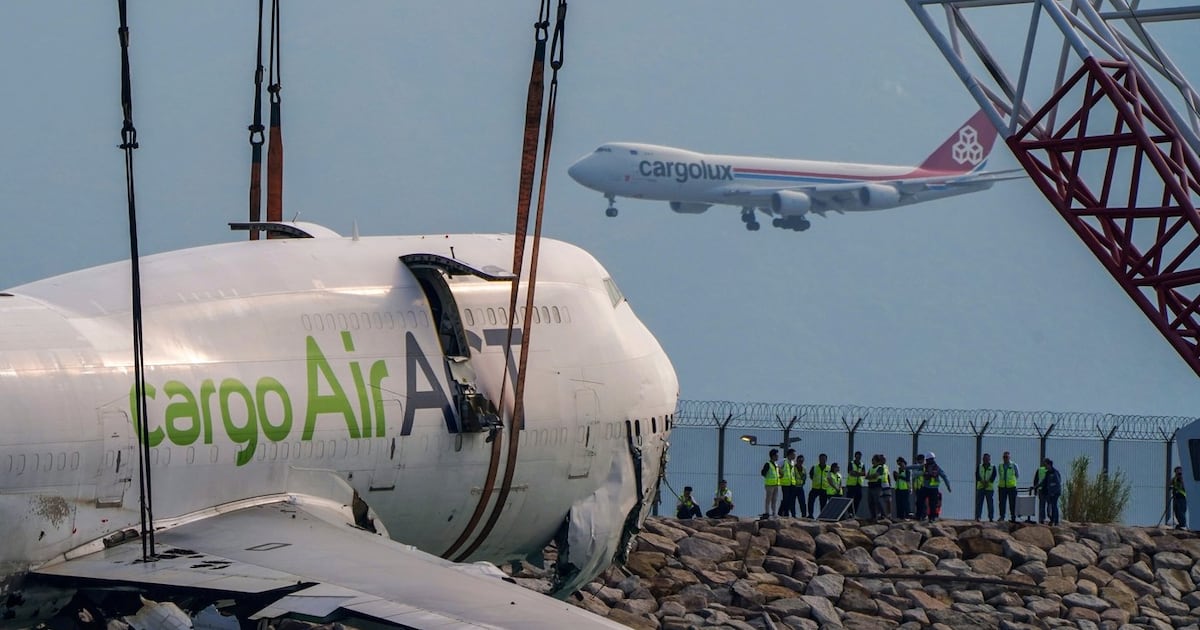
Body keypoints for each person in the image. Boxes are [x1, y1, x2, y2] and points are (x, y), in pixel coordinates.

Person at [919, 452, 952, 521]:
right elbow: (944, 477)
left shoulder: (936, 468)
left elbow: (944, 476)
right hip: (927, 488)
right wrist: (906, 468)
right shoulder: (926, 467)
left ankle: (931, 518)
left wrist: (948, 487)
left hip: (932, 489)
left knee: (932, 504)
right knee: (922, 502)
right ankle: (922, 516)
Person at [997, 451, 1020, 523]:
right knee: (1002, 503)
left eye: (1006, 457)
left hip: (1011, 487)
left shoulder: (1014, 465)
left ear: (1009, 457)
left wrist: (1011, 481)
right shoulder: (1000, 465)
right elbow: (1000, 474)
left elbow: (1017, 475)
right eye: (1004, 457)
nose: (1005, 458)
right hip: (1002, 487)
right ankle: (1002, 516)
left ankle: (1013, 517)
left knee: (1012, 503)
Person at [1038, 458, 1062, 525]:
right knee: (1051, 506)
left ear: (1049, 464)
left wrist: (1054, 492)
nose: (1045, 466)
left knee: (1054, 506)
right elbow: (1043, 482)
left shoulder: (1055, 472)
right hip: (1050, 492)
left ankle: (1055, 521)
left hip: (1055, 493)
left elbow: (1058, 483)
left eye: (1045, 465)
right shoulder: (1048, 473)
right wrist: (1036, 487)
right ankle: (1052, 520)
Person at [975, 453, 997, 521]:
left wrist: (988, 482)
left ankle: (991, 517)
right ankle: (978, 517)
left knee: (990, 503)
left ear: (989, 459)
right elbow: (977, 475)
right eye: (984, 459)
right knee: (979, 503)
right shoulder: (979, 466)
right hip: (981, 487)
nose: (986, 460)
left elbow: (994, 475)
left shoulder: (993, 467)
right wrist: (982, 481)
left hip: (989, 488)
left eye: (987, 459)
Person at [807, 453, 830, 517]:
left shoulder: (829, 468)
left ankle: (822, 516)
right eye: (821, 458)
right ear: (819, 459)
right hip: (815, 488)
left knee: (823, 503)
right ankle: (810, 515)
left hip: (824, 488)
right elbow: (811, 476)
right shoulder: (814, 467)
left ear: (826, 459)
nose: (822, 460)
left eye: (823, 459)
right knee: (811, 501)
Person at [761, 448, 780, 519]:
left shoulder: (776, 464)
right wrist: (767, 477)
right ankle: (767, 512)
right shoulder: (768, 464)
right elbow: (763, 473)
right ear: (773, 456)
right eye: (776, 455)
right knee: (768, 499)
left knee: (774, 499)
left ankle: (774, 513)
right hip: (769, 485)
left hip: (776, 484)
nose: (778, 456)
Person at [866, 454, 887, 520]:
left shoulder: (880, 468)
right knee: (870, 502)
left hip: (877, 487)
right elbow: (867, 476)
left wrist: (870, 476)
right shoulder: (871, 468)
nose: (872, 461)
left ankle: (883, 515)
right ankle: (873, 516)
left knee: (877, 501)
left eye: (873, 460)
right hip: (870, 486)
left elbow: (876, 475)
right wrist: (871, 476)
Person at [778, 448, 798, 518]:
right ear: (790, 454)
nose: (794, 456)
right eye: (794, 454)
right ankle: (784, 512)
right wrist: (780, 474)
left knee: (790, 499)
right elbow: (777, 467)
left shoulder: (792, 462)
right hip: (785, 483)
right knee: (786, 498)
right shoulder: (783, 461)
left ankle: (783, 511)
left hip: (792, 483)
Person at [846, 451, 866, 517]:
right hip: (851, 484)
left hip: (858, 484)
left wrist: (856, 473)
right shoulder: (851, 463)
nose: (858, 457)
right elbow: (851, 473)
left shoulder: (862, 464)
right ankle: (850, 513)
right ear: (855, 456)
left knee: (858, 498)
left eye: (860, 456)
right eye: (857, 456)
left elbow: (864, 473)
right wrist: (859, 473)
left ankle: (854, 513)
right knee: (850, 499)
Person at [1032, 458, 1050, 524]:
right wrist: (1035, 489)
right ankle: (1043, 519)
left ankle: (1047, 518)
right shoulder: (1040, 470)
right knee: (1044, 505)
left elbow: (1035, 481)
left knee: (1047, 505)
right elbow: (1036, 480)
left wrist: (1035, 489)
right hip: (1042, 490)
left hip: (1046, 490)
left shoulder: (1049, 470)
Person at [794, 453, 809, 518]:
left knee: (802, 502)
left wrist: (803, 483)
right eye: (799, 461)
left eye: (802, 461)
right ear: (796, 460)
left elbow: (805, 477)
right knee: (792, 502)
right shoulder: (793, 468)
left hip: (800, 487)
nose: (800, 462)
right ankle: (793, 515)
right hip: (794, 487)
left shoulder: (804, 469)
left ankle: (804, 515)